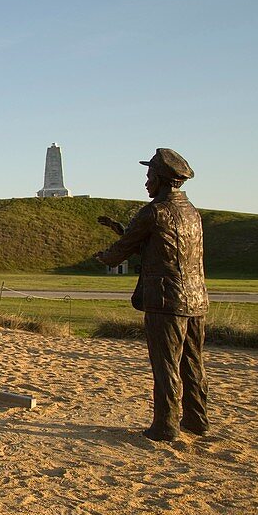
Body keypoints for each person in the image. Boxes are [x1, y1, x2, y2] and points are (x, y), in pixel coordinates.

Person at [95, 148, 209, 442]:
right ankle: (197, 419)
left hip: (165, 299)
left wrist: (104, 257)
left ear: (160, 179)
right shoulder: (192, 212)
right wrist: (119, 229)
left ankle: (166, 425)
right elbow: (161, 243)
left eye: (149, 176)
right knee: (192, 361)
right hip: (195, 298)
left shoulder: (153, 212)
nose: (146, 182)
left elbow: (125, 247)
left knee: (166, 363)